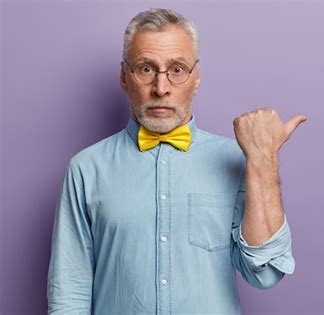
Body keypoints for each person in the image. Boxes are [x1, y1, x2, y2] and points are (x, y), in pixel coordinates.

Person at [47, 8, 306, 315]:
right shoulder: (86, 170)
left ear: (196, 79)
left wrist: (262, 160)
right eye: (146, 69)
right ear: (123, 77)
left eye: (177, 69)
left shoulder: (236, 161)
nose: (161, 87)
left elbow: (265, 274)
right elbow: (69, 292)